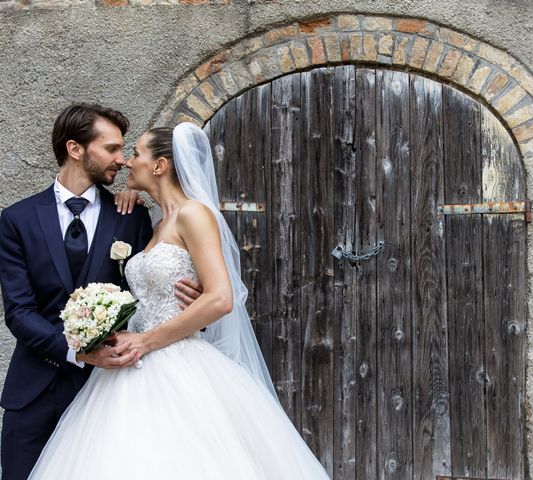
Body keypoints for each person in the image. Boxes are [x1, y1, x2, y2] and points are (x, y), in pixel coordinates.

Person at [26, 123, 330, 479]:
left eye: (136, 153)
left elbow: (219, 298)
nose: (127, 162)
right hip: (131, 369)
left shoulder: (193, 214)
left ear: (160, 166)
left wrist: (144, 340)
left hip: (174, 362)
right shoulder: (156, 225)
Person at [0, 104, 201, 480]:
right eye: (111, 149)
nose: (122, 161)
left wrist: (189, 297)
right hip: (32, 393)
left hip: (108, 394)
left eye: (125, 150)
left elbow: (146, 289)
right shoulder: (17, 220)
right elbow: (19, 311)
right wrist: (78, 352)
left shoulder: (131, 216)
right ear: (76, 149)